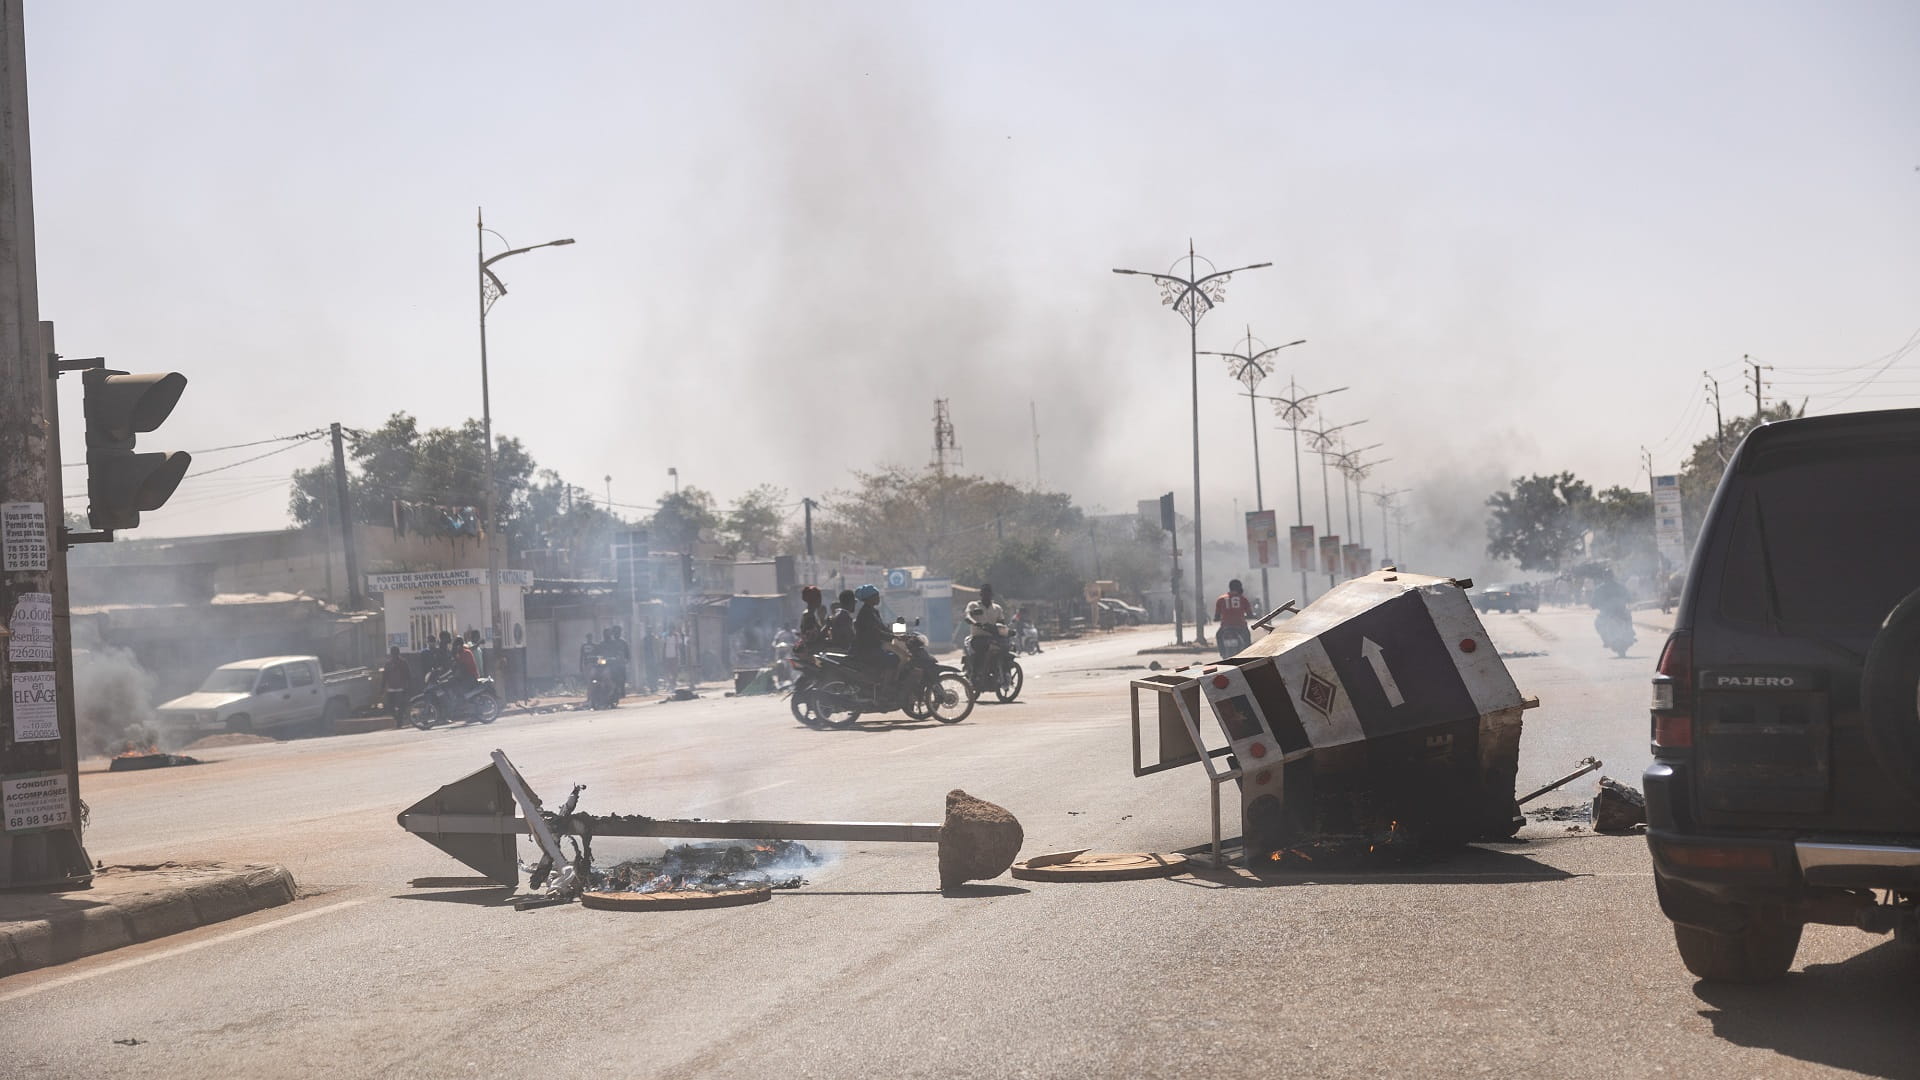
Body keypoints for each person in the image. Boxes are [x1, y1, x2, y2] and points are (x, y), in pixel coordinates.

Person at [851, 584, 898, 684]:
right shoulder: (865, 613)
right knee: (893, 659)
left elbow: (883, 627)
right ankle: (886, 688)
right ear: (869, 598)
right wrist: (892, 636)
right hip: (867, 650)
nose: (878, 598)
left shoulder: (874, 612)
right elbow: (875, 632)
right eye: (876, 596)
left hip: (875, 647)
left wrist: (898, 635)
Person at [965, 584, 1009, 685]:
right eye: (984, 593)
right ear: (981, 594)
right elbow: (967, 616)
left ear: (992, 595)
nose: (986, 595)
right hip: (978, 638)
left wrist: (1005, 629)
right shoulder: (973, 605)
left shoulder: (997, 608)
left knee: (1006, 647)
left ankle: (1003, 671)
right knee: (981, 651)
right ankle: (974, 675)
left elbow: (1002, 622)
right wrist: (975, 622)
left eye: (988, 593)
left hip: (994, 637)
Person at [1215, 579, 1255, 657]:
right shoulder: (1243, 599)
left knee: (1218, 635)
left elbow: (1216, 616)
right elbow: (1249, 614)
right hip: (1240, 625)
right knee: (1247, 638)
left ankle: (1223, 653)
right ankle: (1248, 655)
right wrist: (1251, 616)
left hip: (1226, 627)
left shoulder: (1221, 599)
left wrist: (1216, 618)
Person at [598, 625, 630, 700]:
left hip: (619, 664)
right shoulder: (605, 643)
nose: (616, 633)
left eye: (618, 632)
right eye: (615, 632)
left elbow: (626, 653)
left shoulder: (622, 642)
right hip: (607, 663)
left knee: (621, 678)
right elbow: (599, 652)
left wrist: (625, 660)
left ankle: (621, 691)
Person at [382, 647, 411, 722]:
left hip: (397, 688)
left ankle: (399, 719)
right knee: (397, 706)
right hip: (396, 688)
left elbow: (384, 677)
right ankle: (399, 719)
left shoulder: (400, 662)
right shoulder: (390, 663)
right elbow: (408, 675)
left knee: (395, 707)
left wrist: (382, 688)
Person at [771, 623, 797, 689]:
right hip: (781, 652)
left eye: (788, 626)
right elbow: (775, 643)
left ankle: (791, 681)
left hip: (789, 651)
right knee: (780, 665)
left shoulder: (792, 633)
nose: (787, 628)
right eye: (786, 626)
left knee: (790, 666)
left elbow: (795, 641)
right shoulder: (780, 634)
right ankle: (781, 680)